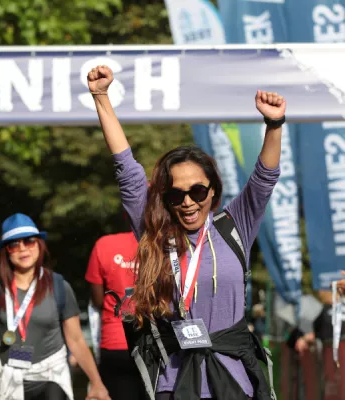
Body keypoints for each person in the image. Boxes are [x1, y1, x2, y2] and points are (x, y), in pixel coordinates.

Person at [87, 65, 286, 400]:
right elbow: (127, 170)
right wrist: (101, 96)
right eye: (177, 194)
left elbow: (264, 178)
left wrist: (274, 124)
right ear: (166, 197)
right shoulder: (155, 232)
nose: (188, 202)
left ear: (212, 191)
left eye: (198, 191)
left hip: (233, 379)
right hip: (175, 381)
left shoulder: (234, 225)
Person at [0, 213, 110, 400]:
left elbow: (77, 340)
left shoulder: (59, 286)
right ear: (6, 251)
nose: (22, 248)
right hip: (9, 378)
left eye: (29, 241)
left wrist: (97, 383)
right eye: (14, 244)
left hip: (51, 376)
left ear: (39, 244)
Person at [85, 229, 143, 400]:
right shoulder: (162, 242)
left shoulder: (104, 244)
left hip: (115, 344)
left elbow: (97, 300)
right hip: (152, 344)